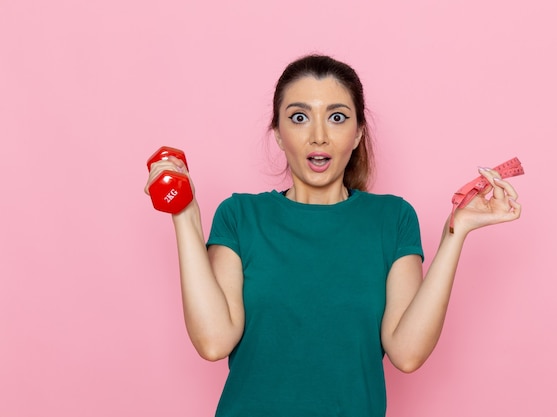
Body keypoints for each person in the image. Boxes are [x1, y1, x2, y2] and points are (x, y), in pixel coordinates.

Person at [145, 54, 521, 417]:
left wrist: (456, 232)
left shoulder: (392, 219)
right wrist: (184, 213)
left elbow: (407, 353)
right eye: (299, 117)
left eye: (337, 117)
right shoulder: (241, 215)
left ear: (357, 134)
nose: (319, 136)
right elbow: (214, 342)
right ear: (277, 133)